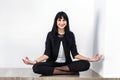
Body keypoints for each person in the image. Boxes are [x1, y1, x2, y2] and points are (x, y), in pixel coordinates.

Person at [22, 11, 102, 75]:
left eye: (64, 20)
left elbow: (75, 54)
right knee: (36, 67)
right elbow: (47, 54)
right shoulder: (50, 35)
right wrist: (34, 61)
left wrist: (89, 59)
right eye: (59, 20)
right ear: (56, 21)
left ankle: (56, 71)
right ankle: (70, 73)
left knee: (86, 64)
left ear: (67, 22)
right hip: (52, 63)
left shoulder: (70, 35)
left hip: (67, 64)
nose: (61, 22)